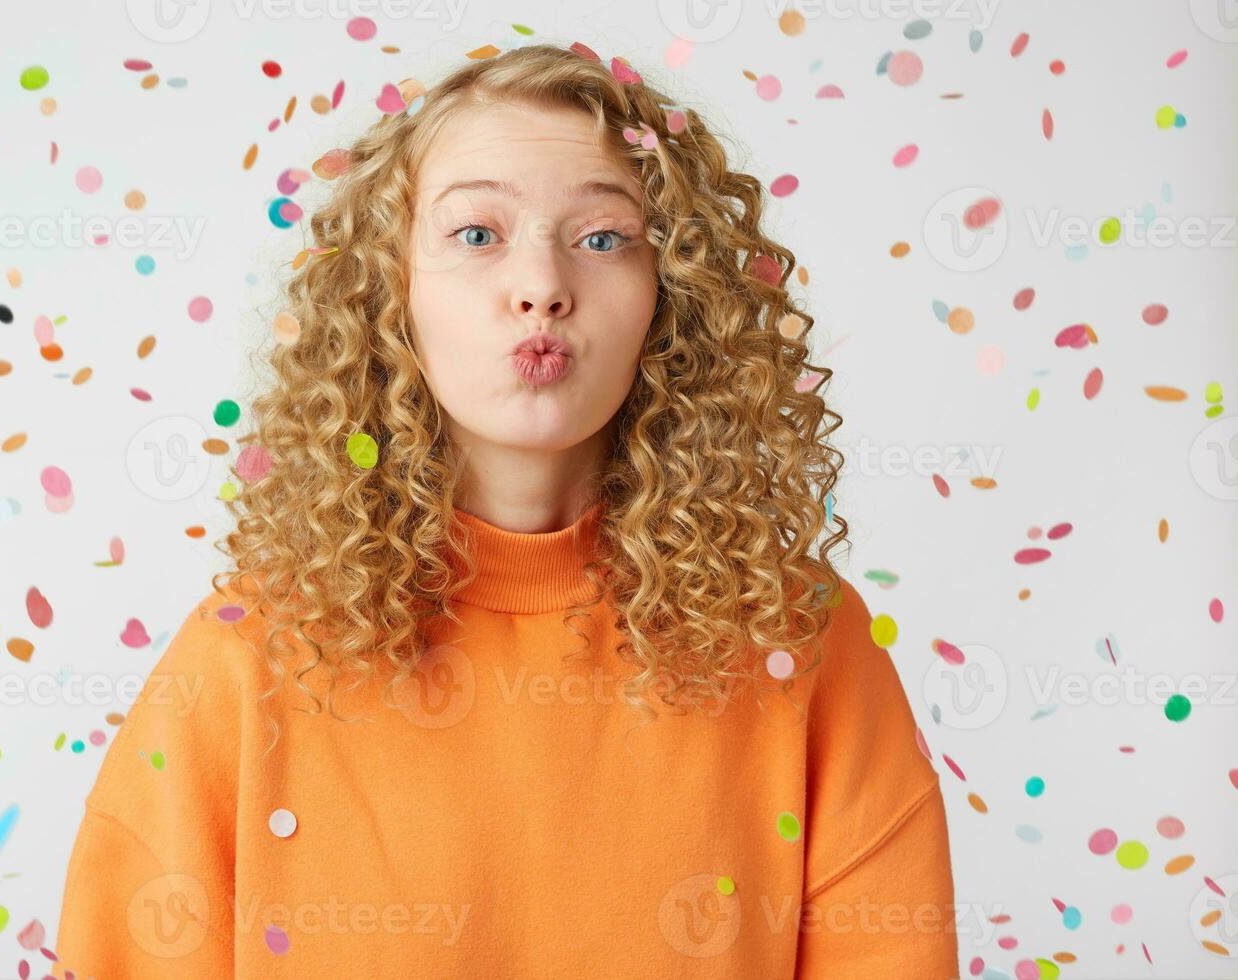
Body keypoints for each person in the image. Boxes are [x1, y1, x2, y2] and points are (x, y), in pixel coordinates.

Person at [53, 42, 958, 978]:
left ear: (673, 300)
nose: (542, 288)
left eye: (603, 237)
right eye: (476, 234)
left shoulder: (803, 645)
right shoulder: (248, 659)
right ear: (387, 292)